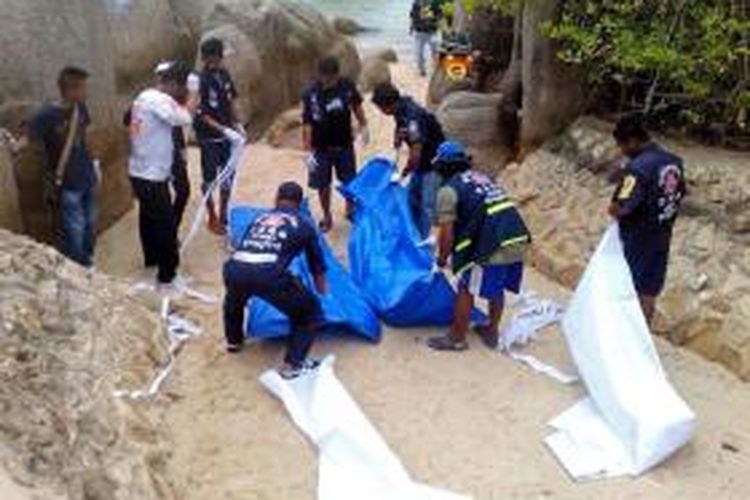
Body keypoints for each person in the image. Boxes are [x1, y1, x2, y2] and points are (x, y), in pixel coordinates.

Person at [428, 141, 531, 351]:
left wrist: (441, 258)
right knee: (497, 285)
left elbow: (446, 233)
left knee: (466, 287)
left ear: (442, 168)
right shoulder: (481, 177)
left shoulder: (448, 191)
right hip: (516, 237)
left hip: (492, 245)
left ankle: (456, 338)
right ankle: (491, 331)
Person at [222, 181, 328, 379]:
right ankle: (293, 365)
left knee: (234, 299)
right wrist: (320, 295)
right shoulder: (303, 224)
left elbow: (244, 245)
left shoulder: (259, 218)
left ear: (276, 199)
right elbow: (317, 265)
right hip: (268, 275)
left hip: (234, 269)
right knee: (308, 313)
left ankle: (233, 341)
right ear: (298, 204)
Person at [609, 115, 686, 326]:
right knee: (649, 291)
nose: (622, 151)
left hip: (637, 238)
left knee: (628, 287)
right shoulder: (674, 163)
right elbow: (678, 195)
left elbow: (622, 207)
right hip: (661, 236)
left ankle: (626, 337)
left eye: (622, 145)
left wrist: (614, 206)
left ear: (632, 140)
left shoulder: (638, 168)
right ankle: (643, 336)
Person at [128, 61, 196, 290]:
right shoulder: (159, 100)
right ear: (172, 84)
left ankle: (152, 261)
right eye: (182, 88)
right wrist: (194, 94)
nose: (182, 94)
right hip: (151, 175)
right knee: (166, 225)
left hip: (140, 171)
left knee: (147, 219)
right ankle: (167, 277)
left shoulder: (144, 96)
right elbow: (184, 118)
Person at [29, 66, 99, 268]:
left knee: (90, 224)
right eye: (83, 88)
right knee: (74, 228)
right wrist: (13, 145)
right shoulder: (45, 115)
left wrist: (95, 164)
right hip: (67, 182)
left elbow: (85, 138)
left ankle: (87, 258)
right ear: (70, 91)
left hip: (87, 177)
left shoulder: (81, 108)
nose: (86, 92)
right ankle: (81, 265)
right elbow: (27, 139)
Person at [302, 56, 368, 233]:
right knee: (323, 185)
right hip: (321, 148)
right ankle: (327, 215)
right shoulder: (311, 94)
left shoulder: (346, 85)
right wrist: (307, 151)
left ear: (337, 75)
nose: (329, 81)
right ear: (320, 75)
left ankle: (350, 208)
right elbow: (307, 123)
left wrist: (364, 125)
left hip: (344, 144)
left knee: (349, 180)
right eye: (325, 78)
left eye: (332, 78)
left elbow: (357, 106)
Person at [372, 82, 445, 238]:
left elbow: (416, 152)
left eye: (380, 108)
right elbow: (400, 126)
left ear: (387, 106)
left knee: (428, 205)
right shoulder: (400, 109)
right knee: (412, 201)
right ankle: (415, 233)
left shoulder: (413, 116)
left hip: (434, 163)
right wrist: (397, 137)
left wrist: (404, 173)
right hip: (422, 164)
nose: (381, 111)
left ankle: (426, 239)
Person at [194, 38, 245, 235]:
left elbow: (231, 100)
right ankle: (212, 216)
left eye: (218, 56)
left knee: (228, 175)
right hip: (209, 138)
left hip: (228, 137)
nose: (217, 60)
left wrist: (237, 123)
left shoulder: (224, 74)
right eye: (213, 57)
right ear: (207, 58)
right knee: (209, 179)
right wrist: (222, 129)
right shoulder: (199, 80)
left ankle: (224, 212)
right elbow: (201, 114)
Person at [410, 0, 443, 76]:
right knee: (418, 54)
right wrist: (411, 28)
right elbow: (412, 16)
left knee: (435, 53)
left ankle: (436, 71)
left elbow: (440, 16)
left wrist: (439, 26)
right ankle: (422, 70)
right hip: (419, 33)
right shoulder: (416, 3)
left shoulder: (434, 3)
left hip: (432, 32)